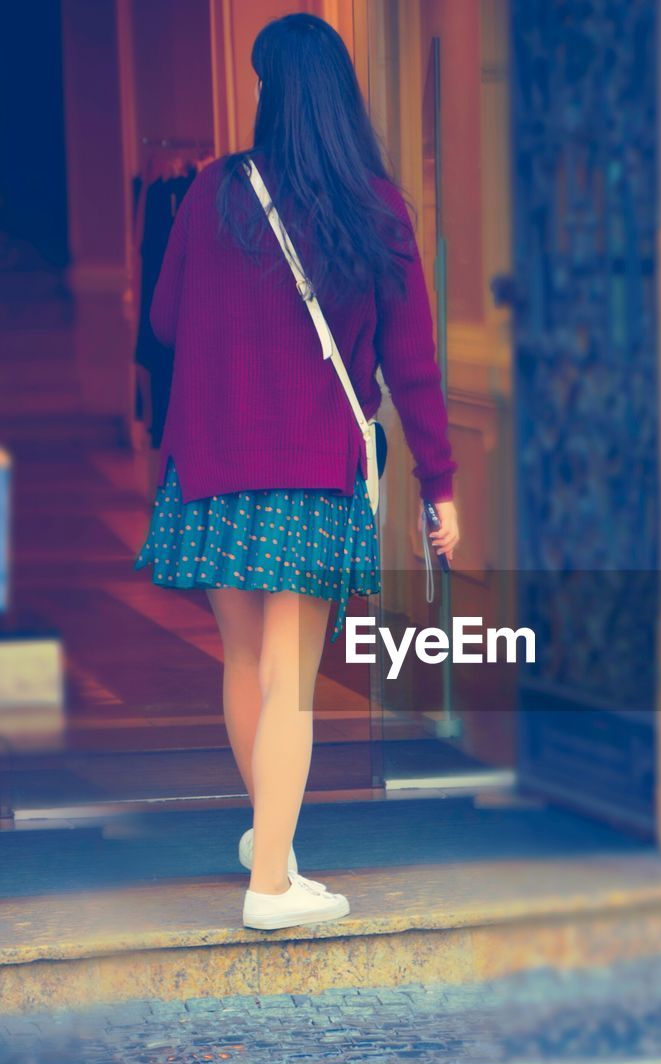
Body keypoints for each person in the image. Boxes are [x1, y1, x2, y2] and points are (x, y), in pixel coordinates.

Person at [134, 14, 459, 931]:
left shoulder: (210, 192)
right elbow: (413, 363)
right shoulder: (376, 206)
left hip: (211, 463)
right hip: (310, 466)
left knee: (245, 662)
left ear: (268, 93)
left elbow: (162, 323)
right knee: (290, 672)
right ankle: (270, 884)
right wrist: (440, 484)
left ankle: (267, 842)